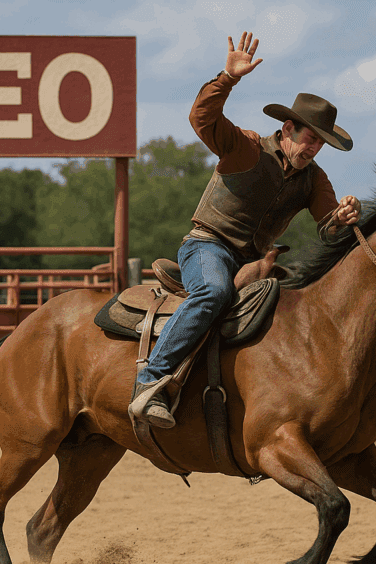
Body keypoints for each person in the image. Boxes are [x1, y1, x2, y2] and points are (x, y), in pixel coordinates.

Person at [129, 31, 362, 429]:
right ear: (287, 129)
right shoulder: (246, 147)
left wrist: (341, 219)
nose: (314, 150)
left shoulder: (314, 179)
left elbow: (327, 229)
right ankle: (149, 382)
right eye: (311, 139)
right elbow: (201, 119)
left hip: (254, 261)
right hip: (208, 246)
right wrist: (227, 78)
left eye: (321, 145)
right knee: (214, 291)